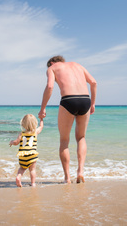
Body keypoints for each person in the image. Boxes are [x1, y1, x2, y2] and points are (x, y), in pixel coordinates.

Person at [38, 55, 97, 184]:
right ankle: (80, 172)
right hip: (85, 100)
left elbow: (49, 87)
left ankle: (67, 178)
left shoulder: (52, 68)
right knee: (81, 137)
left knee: (64, 140)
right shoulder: (78, 65)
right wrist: (92, 104)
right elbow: (93, 82)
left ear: (52, 63)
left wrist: (43, 108)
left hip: (68, 100)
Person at [9, 114, 44, 187]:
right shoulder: (35, 132)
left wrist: (12, 142)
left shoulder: (21, 134)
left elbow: (16, 142)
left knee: (22, 168)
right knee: (32, 170)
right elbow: (41, 127)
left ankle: (18, 177)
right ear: (35, 124)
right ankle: (33, 183)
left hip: (23, 155)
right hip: (32, 155)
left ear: (23, 124)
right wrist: (41, 119)